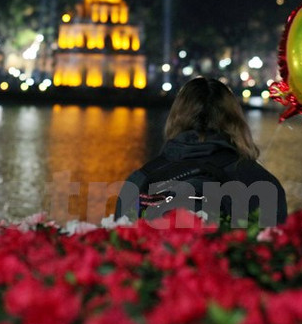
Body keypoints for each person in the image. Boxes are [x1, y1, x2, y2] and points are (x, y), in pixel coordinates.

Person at [115, 76, 288, 226]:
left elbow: (121, 246)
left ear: (175, 119)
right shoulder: (262, 182)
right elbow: (276, 249)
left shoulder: (142, 179)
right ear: (235, 121)